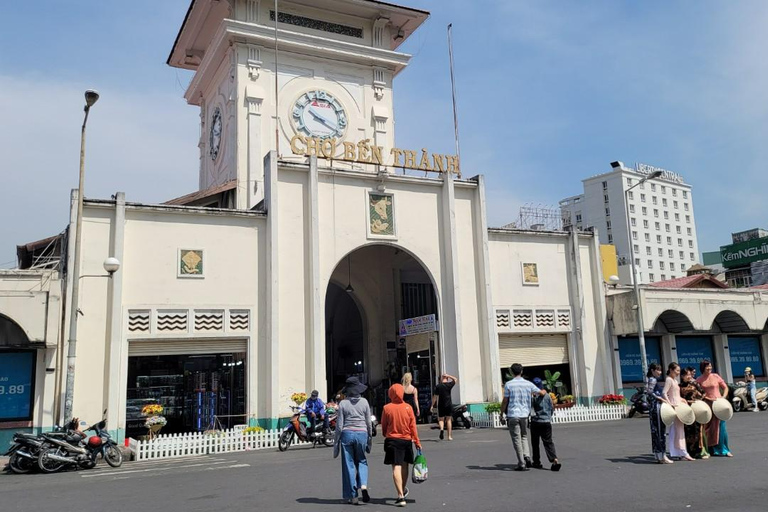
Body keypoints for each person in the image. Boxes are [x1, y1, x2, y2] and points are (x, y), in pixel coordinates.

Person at [333, 376, 373, 505]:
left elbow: (339, 426)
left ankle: (353, 496)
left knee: (349, 464)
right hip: (362, 433)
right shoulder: (365, 402)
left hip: (347, 434)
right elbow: (368, 423)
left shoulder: (343, 404)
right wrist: (369, 440)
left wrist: (336, 444)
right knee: (362, 461)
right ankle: (364, 485)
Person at [500, 363, 547, 471]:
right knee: (524, 436)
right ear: (521, 371)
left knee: (516, 439)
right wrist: (544, 391)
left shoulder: (508, 384)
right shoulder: (528, 384)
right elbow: (540, 393)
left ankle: (521, 462)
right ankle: (527, 456)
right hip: (524, 415)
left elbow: (505, 401)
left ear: (511, 372)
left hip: (512, 414)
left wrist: (501, 413)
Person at [381, 383, 422, 508]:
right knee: (405, 467)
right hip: (406, 440)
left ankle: (400, 495)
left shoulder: (387, 408)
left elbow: (383, 426)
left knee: (396, 467)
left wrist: (386, 434)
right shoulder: (408, 408)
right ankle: (402, 490)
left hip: (392, 440)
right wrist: (417, 441)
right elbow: (413, 427)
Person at [697, 359, 733, 457]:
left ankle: (724, 449)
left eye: (710, 366)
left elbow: (725, 387)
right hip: (708, 405)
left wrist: (723, 397)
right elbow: (699, 393)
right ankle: (711, 448)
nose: (709, 368)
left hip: (719, 404)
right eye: (707, 366)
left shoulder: (716, 376)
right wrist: (707, 398)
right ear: (703, 368)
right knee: (710, 428)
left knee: (721, 427)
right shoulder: (699, 380)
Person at [662, 362, 694, 461]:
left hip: (678, 405)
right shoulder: (669, 380)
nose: (678, 372)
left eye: (679, 371)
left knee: (679, 429)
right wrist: (669, 404)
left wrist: (681, 399)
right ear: (671, 370)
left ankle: (679, 451)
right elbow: (664, 393)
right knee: (677, 429)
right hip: (674, 407)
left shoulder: (675, 380)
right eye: (677, 370)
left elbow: (676, 394)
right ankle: (682, 452)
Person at [529, 377, 561, 471]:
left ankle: (536, 462)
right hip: (546, 422)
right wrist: (548, 417)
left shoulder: (533, 397)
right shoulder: (548, 396)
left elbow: (531, 410)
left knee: (535, 443)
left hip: (536, 422)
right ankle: (554, 459)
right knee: (548, 442)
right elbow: (551, 408)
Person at [645, 363, 673, 464]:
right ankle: (662, 456)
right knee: (660, 432)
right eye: (658, 370)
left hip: (653, 408)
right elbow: (649, 392)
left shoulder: (650, 379)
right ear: (652, 370)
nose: (660, 372)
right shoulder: (653, 379)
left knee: (656, 432)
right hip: (657, 407)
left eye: (660, 370)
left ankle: (659, 455)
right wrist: (661, 398)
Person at [679, 367, 709, 459]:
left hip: (695, 408)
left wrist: (698, 400)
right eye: (686, 375)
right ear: (682, 376)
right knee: (687, 431)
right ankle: (687, 451)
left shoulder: (695, 383)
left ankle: (697, 451)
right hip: (685, 410)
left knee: (696, 430)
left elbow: (703, 393)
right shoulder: (679, 386)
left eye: (689, 374)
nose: (688, 376)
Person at [431, 374, 457, 440]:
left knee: (441, 419)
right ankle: (449, 436)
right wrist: (449, 375)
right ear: (447, 378)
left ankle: (442, 429)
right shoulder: (449, 385)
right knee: (448, 420)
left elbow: (435, 397)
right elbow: (455, 379)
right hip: (448, 404)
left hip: (441, 404)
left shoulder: (438, 386)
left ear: (441, 379)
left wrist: (432, 405)